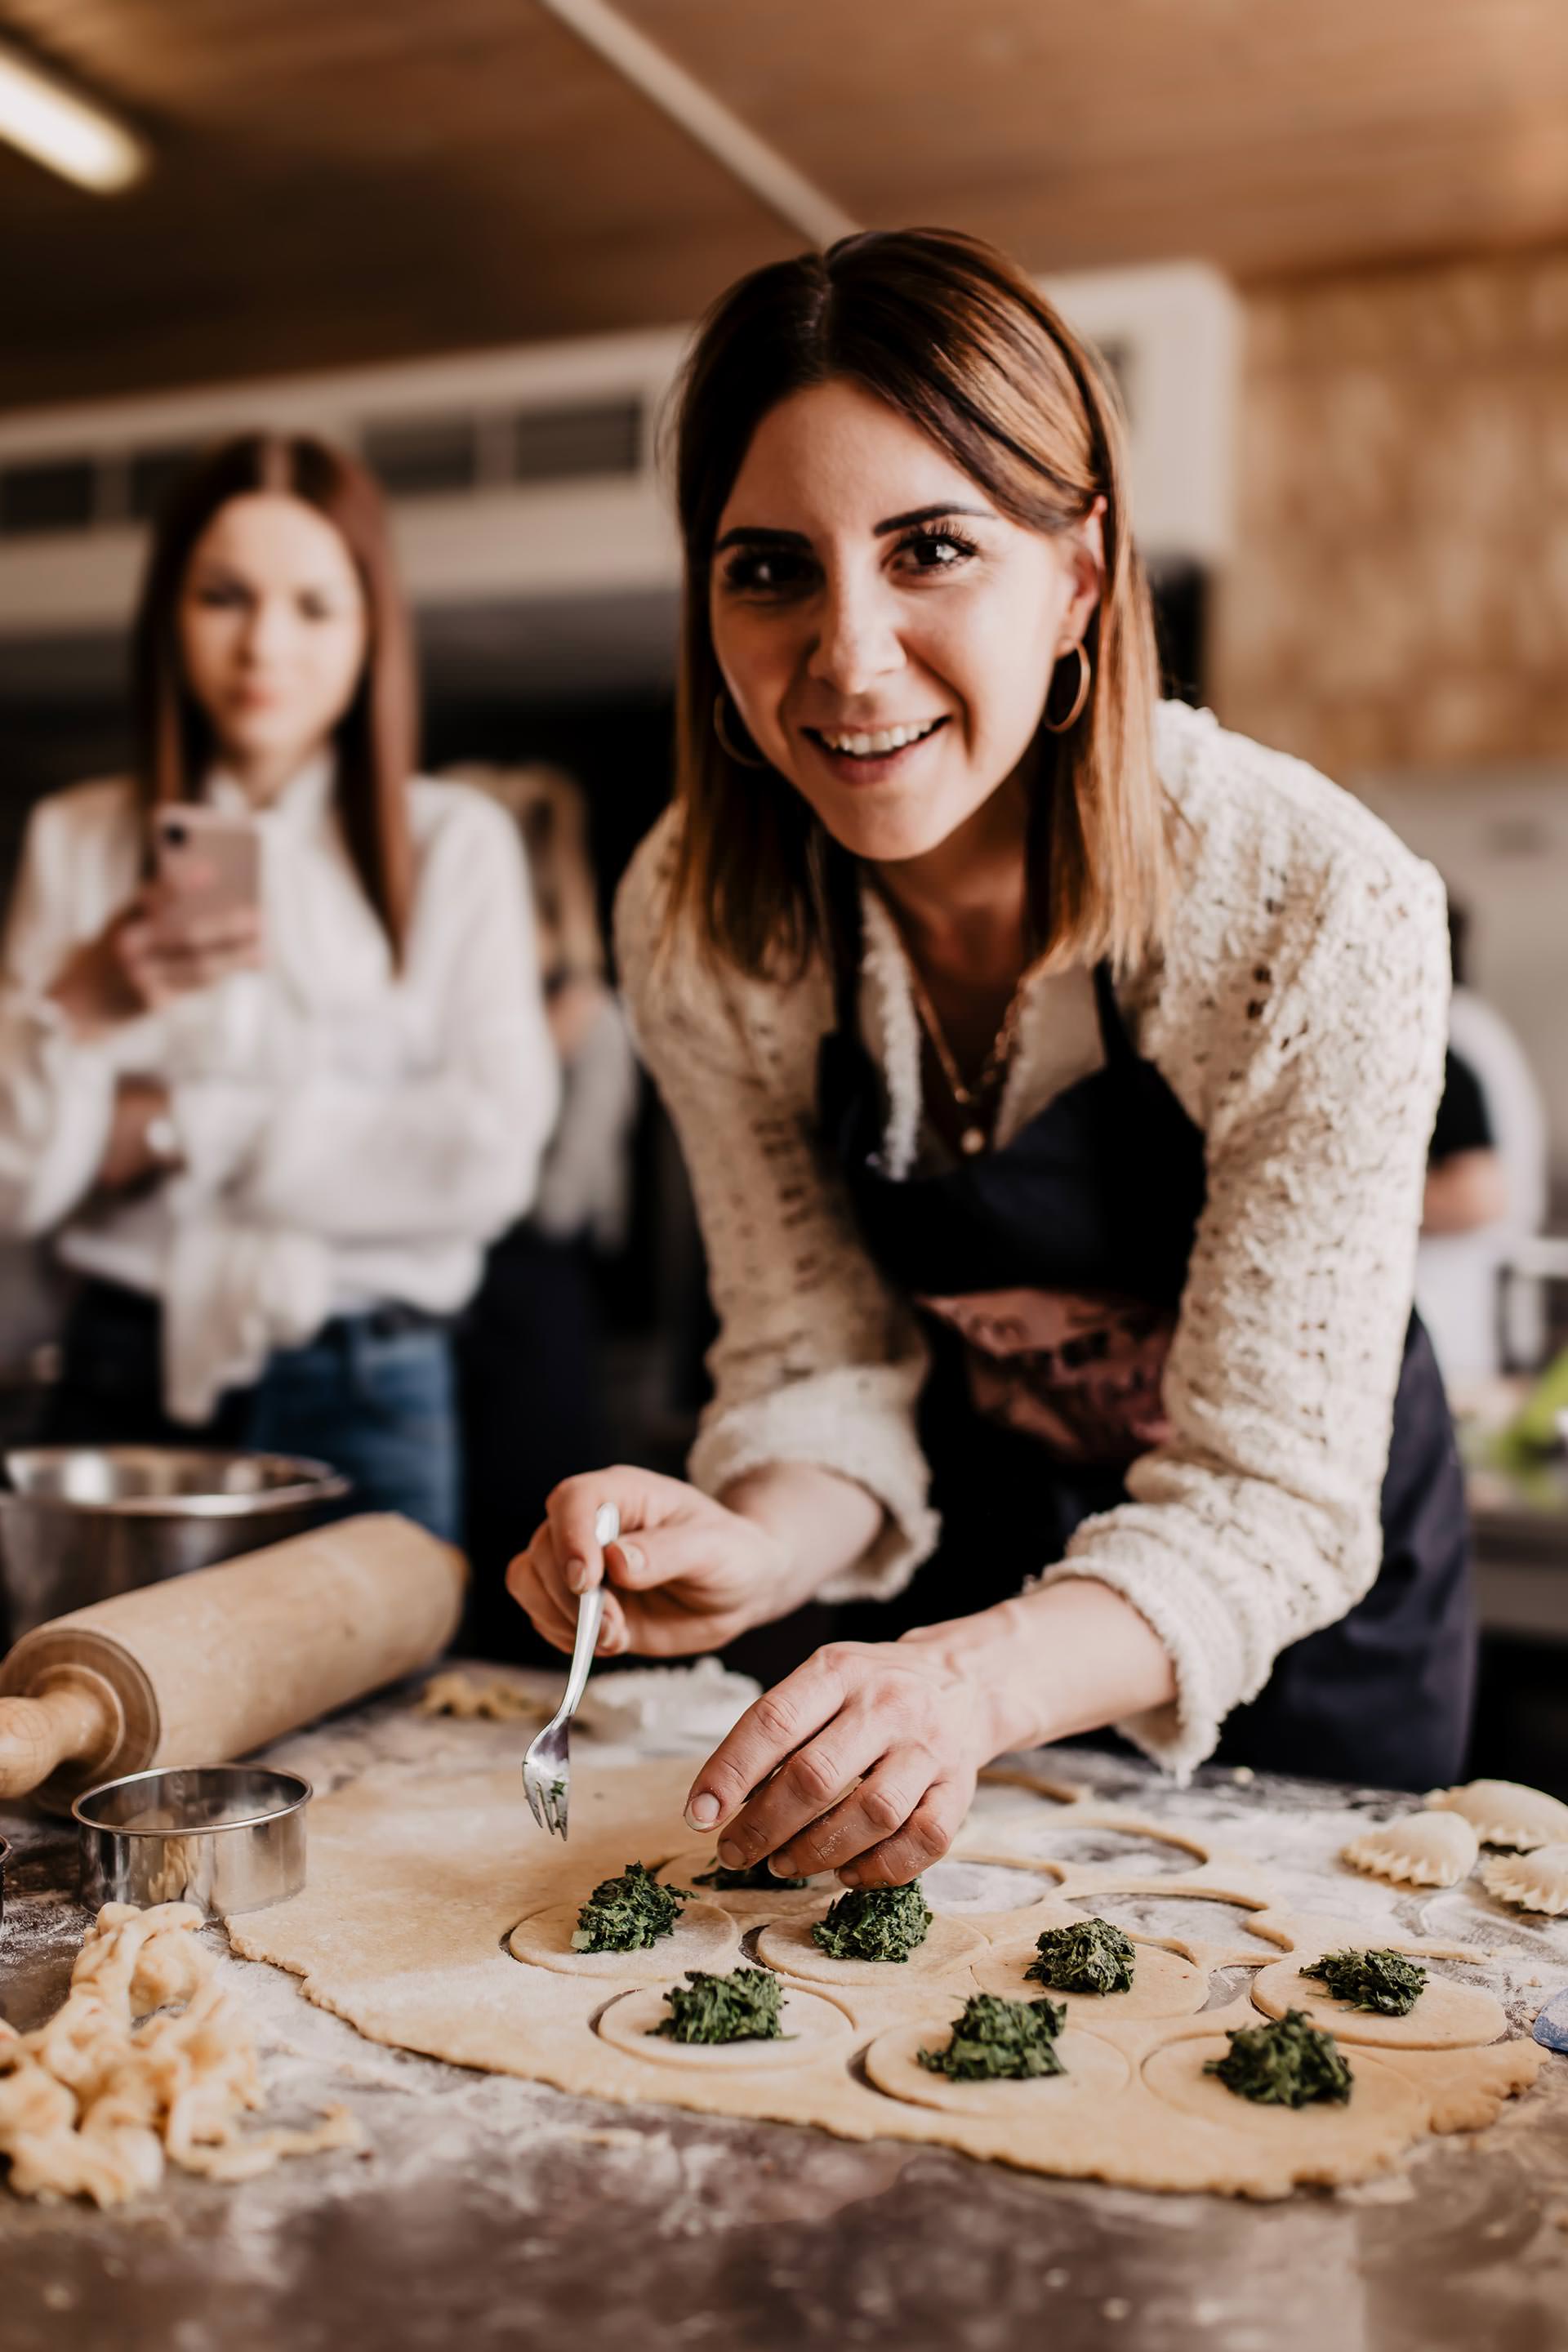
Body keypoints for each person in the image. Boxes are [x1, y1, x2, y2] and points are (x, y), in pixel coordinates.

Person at [508, 228, 1470, 1890]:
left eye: (931, 548)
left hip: (1312, 1618)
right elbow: (818, 1354)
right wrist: (753, 1540)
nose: (849, 656)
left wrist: (970, 1682)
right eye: (769, 568)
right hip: (973, 1578)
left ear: (1081, 578)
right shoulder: (697, 915)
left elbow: (1272, 1496)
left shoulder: (1316, 903)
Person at [0, 434, 558, 1539]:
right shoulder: (77, 840)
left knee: (384, 1712)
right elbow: (18, 1185)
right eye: (224, 597)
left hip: (367, 1381)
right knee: (92, 1703)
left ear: (369, 628)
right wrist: (84, 1001)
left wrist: (175, 1128)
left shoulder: (453, 844)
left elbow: (486, 1153)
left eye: (313, 605)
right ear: (171, 614)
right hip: (120, 1370)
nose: (264, 644)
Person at [448, 763, 639, 1652]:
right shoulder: (444, 1020)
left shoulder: (589, 1018)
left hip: (534, 1311)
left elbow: (569, 1201)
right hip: (439, 1310)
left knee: (532, 1551)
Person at [1417, 904, 1547, 1392]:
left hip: (1449, 1308)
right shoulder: (1472, 1026)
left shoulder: (1449, 1034)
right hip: (1465, 1304)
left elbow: (1480, 1193)